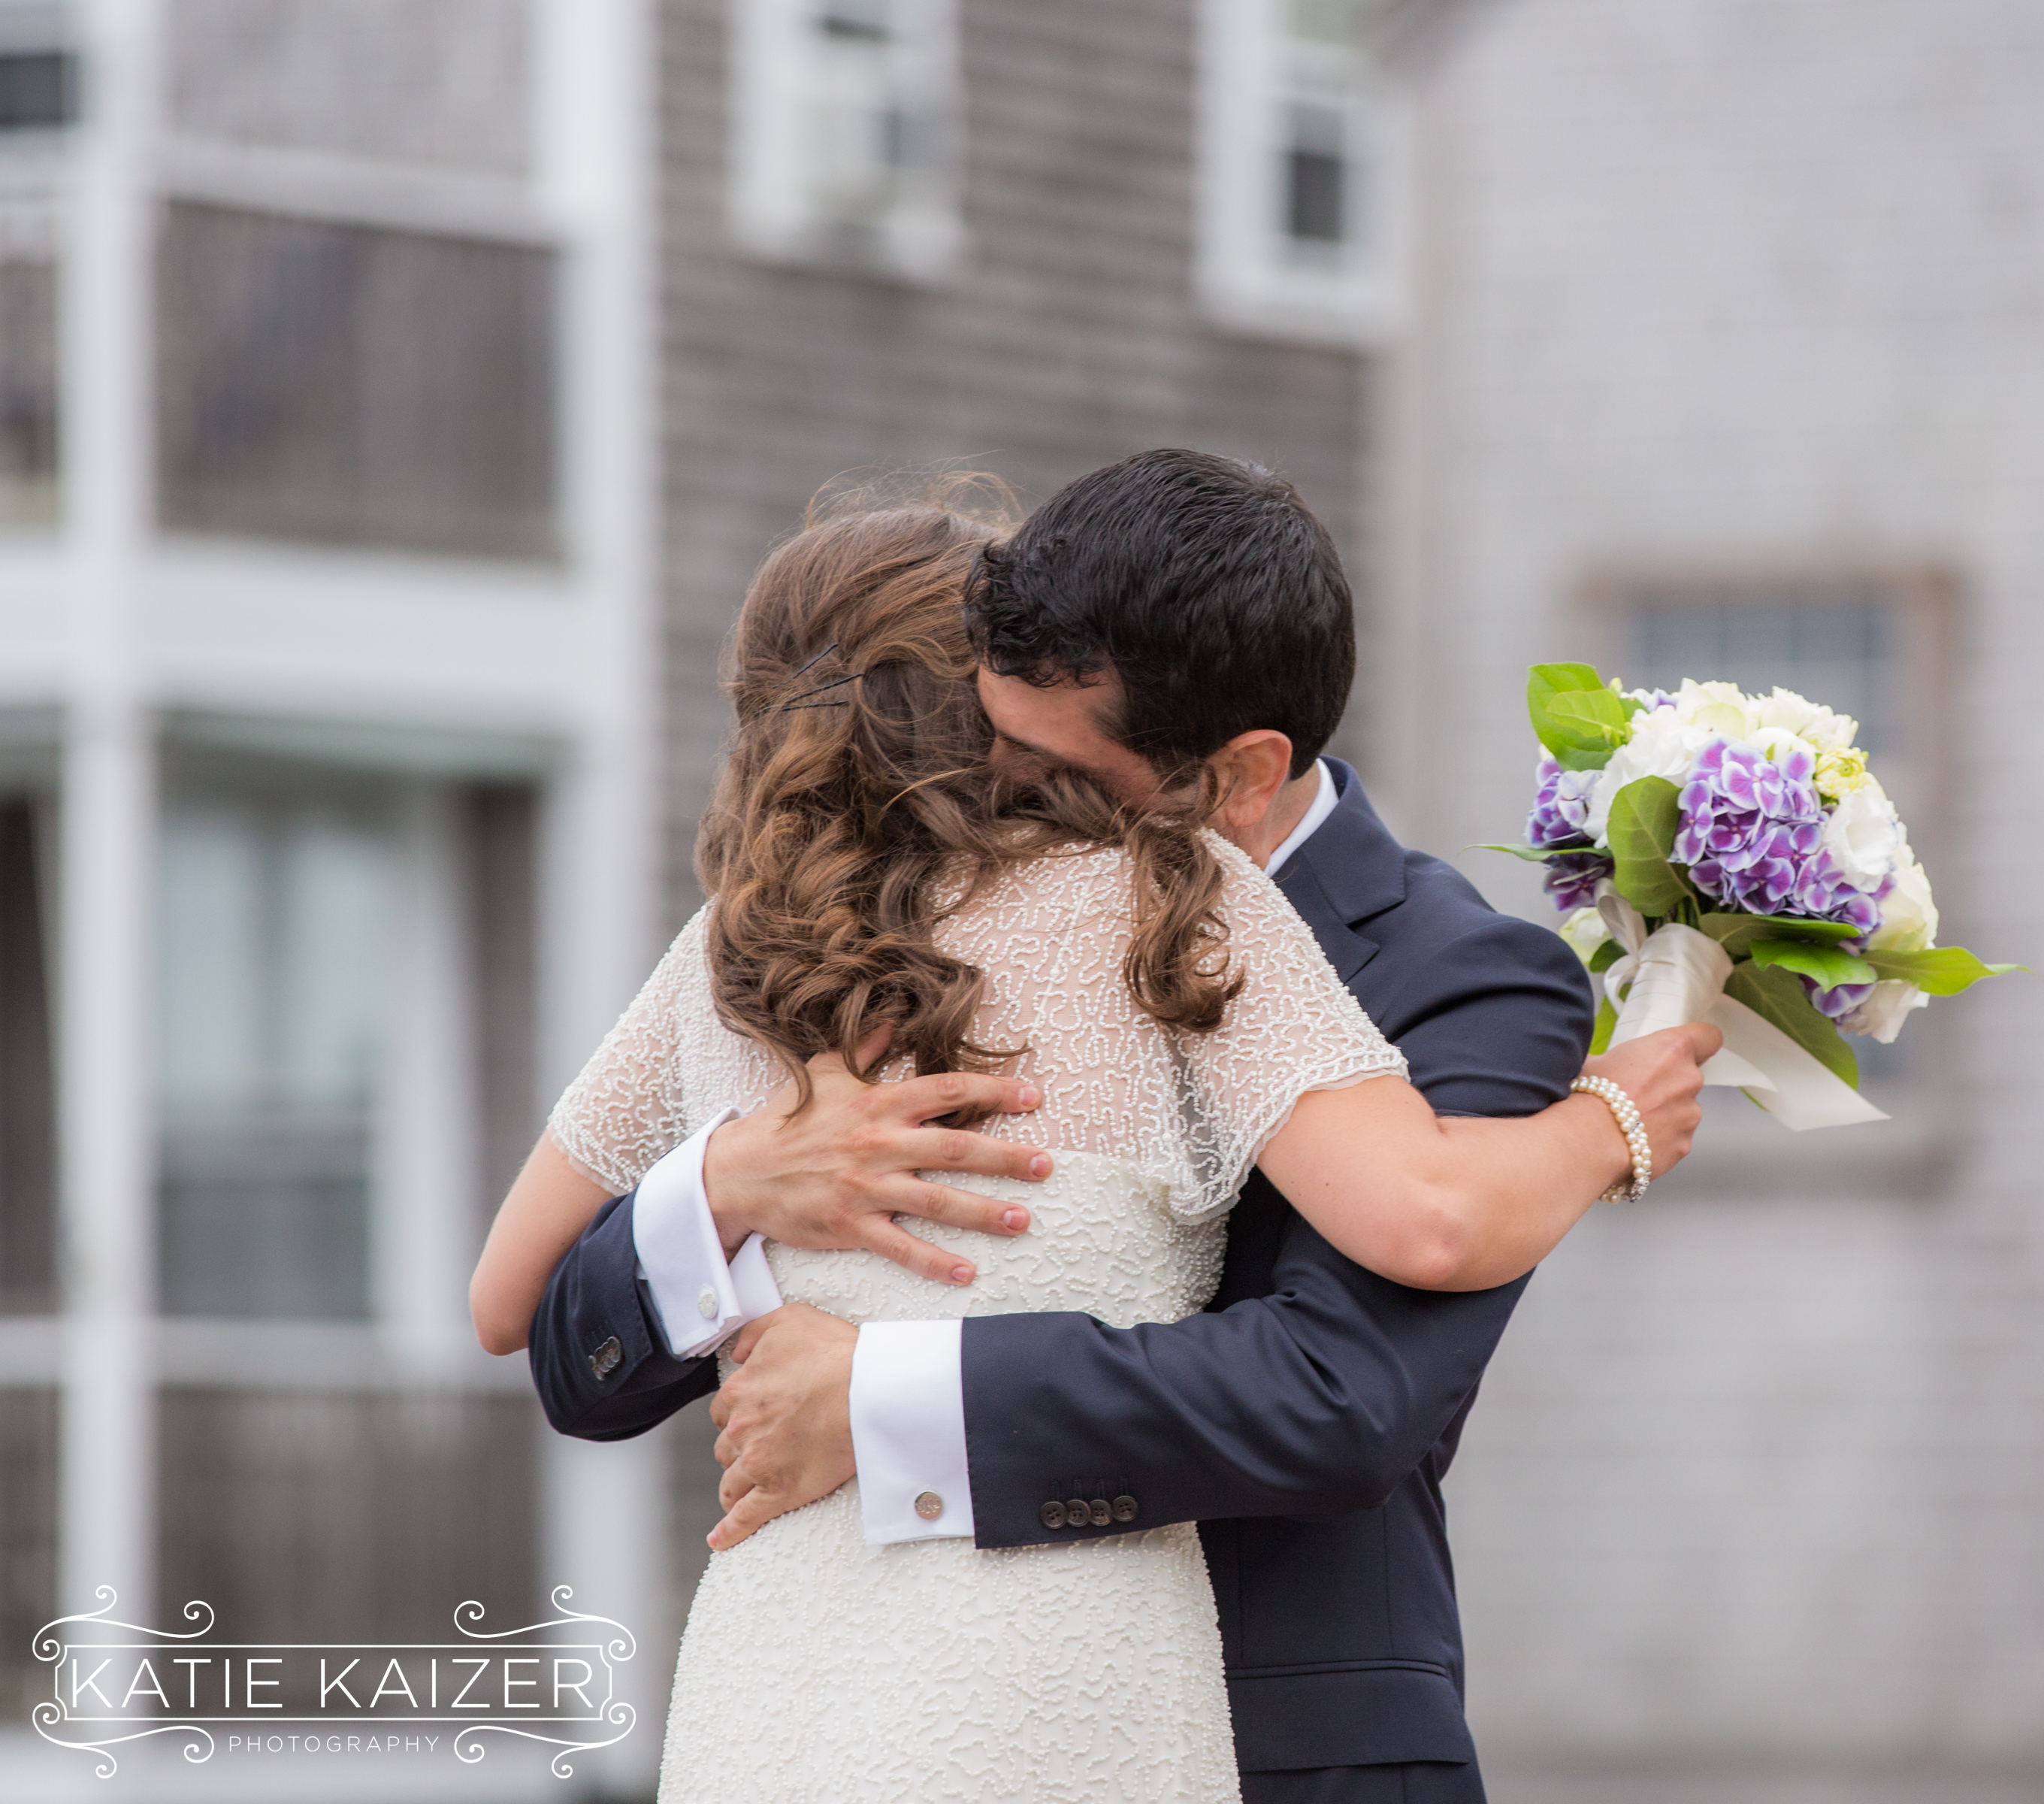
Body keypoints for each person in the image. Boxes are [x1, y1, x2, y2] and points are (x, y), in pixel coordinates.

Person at [473, 456, 1714, 1802]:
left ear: (1242, 771)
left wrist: (879, 1396)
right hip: (823, 1692)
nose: (995, 784)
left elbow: (1348, 1400)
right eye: (981, 729)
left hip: (1268, 1737)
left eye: (1050, 763)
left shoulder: (1458, 970)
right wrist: (727, 1183)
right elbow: (558, 1349)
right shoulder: (810, 950)